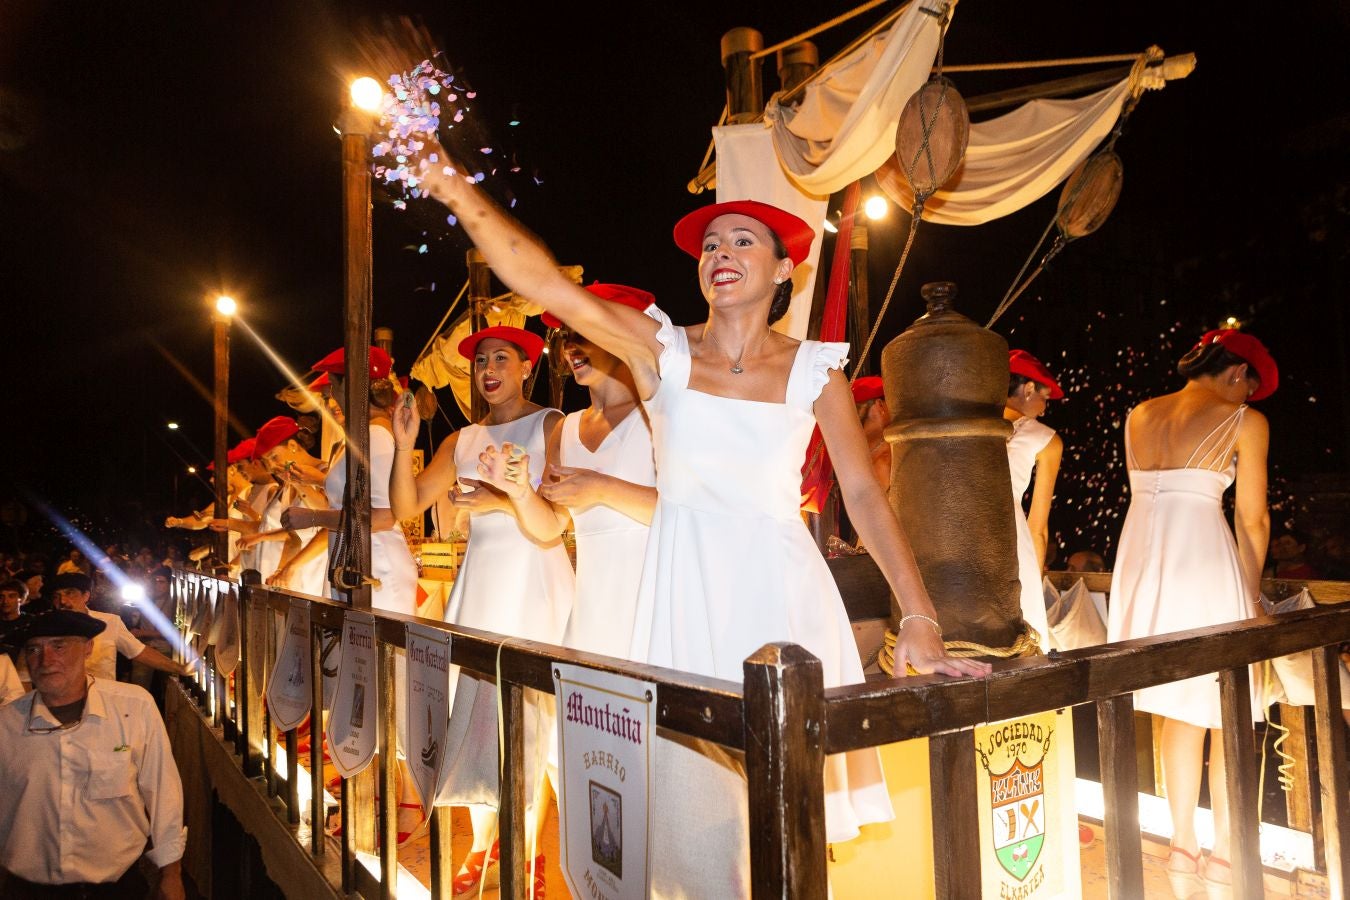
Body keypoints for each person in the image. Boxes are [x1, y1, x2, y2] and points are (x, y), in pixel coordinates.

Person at [420, 159, 988, 891]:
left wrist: (920, 616)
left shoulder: (818, 372)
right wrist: (456, 189)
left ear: (783, 269)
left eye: (742, 241)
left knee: (785, 818)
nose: (721, 253)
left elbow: (864, 495)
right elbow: (549, 286)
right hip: (684, 598)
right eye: (711, 245)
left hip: (784, 600)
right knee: (692, 824)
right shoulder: (664, 353)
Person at [473, 284, 658, 896]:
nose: (572, 348)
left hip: (656, 598)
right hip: (593, 608)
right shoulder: (567, 429)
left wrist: (602, 488)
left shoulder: (663, 413)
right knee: (595, 761)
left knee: (660, 765)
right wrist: (518, 491)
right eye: (566, 337)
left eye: (585, 333)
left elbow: (692, 511)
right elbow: (550, 529)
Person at [390, 324, 574, 893]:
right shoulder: (461, 440)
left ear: (526, 366)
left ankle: (528, 852)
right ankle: (481, 844)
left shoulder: (551, 425)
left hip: (536, 576)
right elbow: (406, 505)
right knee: (473, 712)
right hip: (481, 583)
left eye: (501, 359)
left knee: (537, 715)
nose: (488, 370)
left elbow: (555, 519)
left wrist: (498, 497)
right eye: (480, 361)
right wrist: (403, 444)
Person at [1106, 327, 1276, 896]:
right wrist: (1250, 598)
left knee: (1179, 706)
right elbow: (1252, 520)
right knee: (1229, 704)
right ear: (1237, 373)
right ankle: (1227, 853)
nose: (1249, 397)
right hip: (1202, 561)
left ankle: (1183, 846)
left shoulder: (1139, 415)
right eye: (1250, 386)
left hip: (1142, 563)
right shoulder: (1245, 421)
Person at [281, 346, 422, 839]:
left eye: (334, 385)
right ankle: (375, 794)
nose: (330, 397)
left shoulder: (378, 439)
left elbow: (387, 515)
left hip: (377, 570)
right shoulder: (362, 438)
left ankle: (405, 801)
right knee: (364, 682)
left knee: (383, 684)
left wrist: (312, 516)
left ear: (353, 384)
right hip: (358, 567)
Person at [0, 609, 186, 898]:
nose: (46, 660)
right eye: (34, 649)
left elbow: (163, 791)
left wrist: (171, 874)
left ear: (88, 648)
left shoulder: (133, 707)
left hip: (117, 887)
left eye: (59, 646)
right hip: (28, 889)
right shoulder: (7, 724)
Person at [1004, 349, 1065, 648]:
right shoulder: (1046, 439)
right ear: (1028, 389)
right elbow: (1038, 528)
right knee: (1023, 635)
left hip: (961, 530)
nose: (1043, 410)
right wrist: (1034, 584)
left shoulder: (970, 424)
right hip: (1011, 535)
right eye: (1045, 398)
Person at [50, 572, 189, 683]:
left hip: (104, 699)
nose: (63, 601)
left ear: (86, 596)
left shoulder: (109, 622)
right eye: (57, 596)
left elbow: (138, 651)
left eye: (70, 593)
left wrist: (180, 668)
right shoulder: (46, 628)